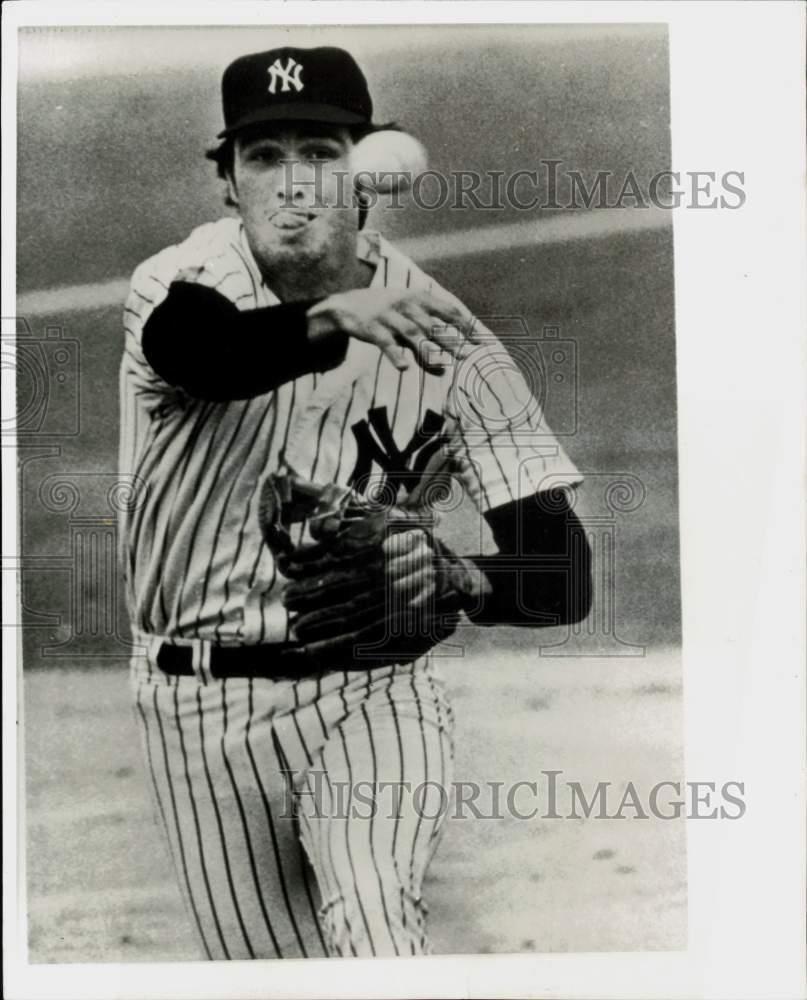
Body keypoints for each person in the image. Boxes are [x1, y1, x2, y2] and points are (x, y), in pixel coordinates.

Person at [119, 45, 592, 960]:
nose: (293, 184)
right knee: (267, 970)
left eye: (321, 153)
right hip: (196, 710)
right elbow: (204, 355)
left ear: (366, 170)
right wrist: (331, 317)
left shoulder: (452, 340)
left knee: (375, 928)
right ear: (228, 184)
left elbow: (560, 578)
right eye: (263, 157)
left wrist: (457, 577)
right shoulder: (178, 287)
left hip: (376, 693)